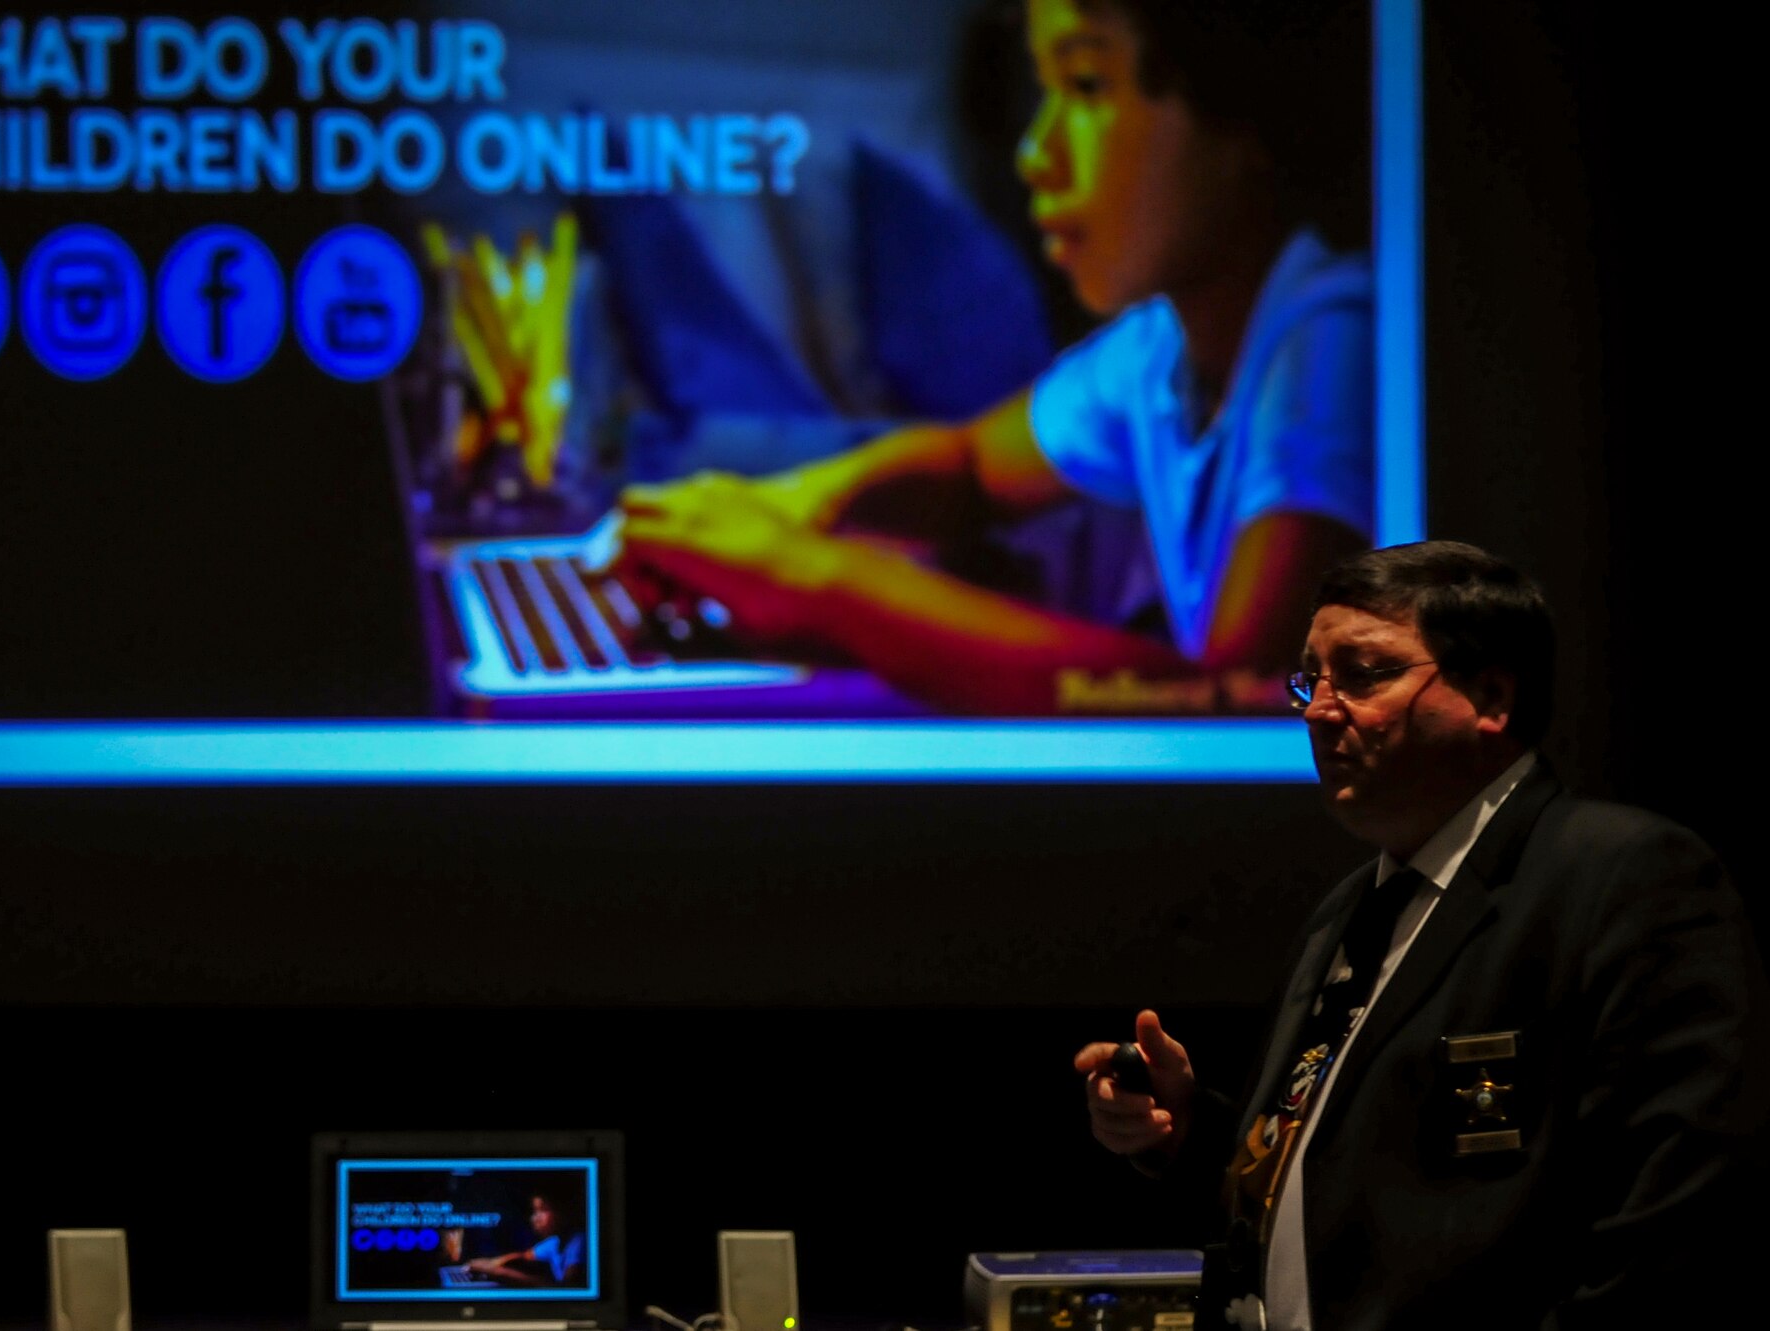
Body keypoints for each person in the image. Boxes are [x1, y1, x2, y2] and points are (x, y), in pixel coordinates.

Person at [1074, 541, 1769, 1328]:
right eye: (1311, 677)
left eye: (1364, 673)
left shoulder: (1623, 876)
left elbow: (1680, 1216)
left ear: (1492, 694)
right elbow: (1343, 1185)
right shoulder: (1349, 911)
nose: (1318, 708)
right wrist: (1192, 1127)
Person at [611, 0, 1372, 714]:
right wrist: (786, 507)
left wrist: (817, 582)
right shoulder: (1158, 350)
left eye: (1086, 85)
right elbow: (973, 467)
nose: (1036, 155)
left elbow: (1233, 696)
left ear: (1241, 112)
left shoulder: (1336, 331)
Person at [466, 1187, 588, 1288]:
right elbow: (524, 1255)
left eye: (543, 1210)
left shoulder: (579, 1242)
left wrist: (500, 1273)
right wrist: (490, 1263)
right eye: (534, 1212)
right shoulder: (554, 1242)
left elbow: (566, 1290)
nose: (535, 1219)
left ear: (563, 1212)